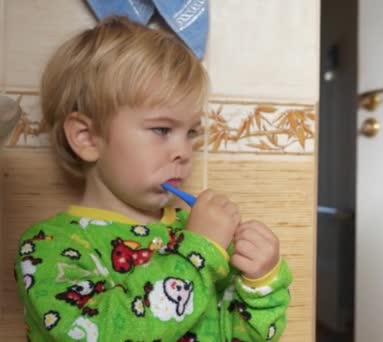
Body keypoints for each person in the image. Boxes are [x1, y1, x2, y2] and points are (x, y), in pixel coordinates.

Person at [14, 16, 291, 341]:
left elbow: (246, 337)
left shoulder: (201, 235)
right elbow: (102, 332)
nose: (184, 151)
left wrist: (260, 284)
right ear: (87, 137)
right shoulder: (47, 246)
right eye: (161, 130)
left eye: (190, 133)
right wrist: (197, 252)